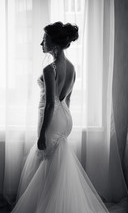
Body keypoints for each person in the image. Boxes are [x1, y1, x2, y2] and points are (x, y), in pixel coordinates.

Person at [11, 22, 109, 213]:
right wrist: (64, 125)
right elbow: (68, 99)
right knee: (57, 164)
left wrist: (41, 135)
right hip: (65, 117)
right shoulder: (72, 67)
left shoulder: (50, 69)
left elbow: (49, 104)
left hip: (52, 118)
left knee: (47, 162)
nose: (41, 44)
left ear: (54, 45)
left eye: (44, 40)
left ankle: (49, 207)